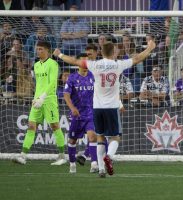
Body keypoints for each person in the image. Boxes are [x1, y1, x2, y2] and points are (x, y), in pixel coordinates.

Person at [53, 40, 156, 177]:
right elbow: (137, 58)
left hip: (97, 108)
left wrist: (60, 55)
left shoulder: (94, 65)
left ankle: (101, 169)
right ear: (113, 52)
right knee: (115, 138)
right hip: (112, 107)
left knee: (100, 138)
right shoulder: (118, 65)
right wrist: (149, 49)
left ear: (101, 52)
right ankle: (109, 156)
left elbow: (74, 61)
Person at [13, 41, 66, 165]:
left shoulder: (53, 64)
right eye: (37, 49)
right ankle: (23, 156)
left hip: (49, 100)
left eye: (41, 49)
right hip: (37, 100)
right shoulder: (36, 65)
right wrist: (36, 97)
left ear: (47, 50)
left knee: (55, 127)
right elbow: (39, 84)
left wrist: (43, 97)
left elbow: (52, 82)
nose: (38, 51)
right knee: (31, 126)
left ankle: (62, 156)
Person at [63, 53, 98, 174]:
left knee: (93, 137)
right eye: (83, 61)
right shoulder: (72, 78)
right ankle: (72, 164)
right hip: (77, 115)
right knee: (72, 141)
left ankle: (94, 164)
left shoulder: (93, 76)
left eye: (87, 61)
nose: (85, 64)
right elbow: (66, 95)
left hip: (90, 113)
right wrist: (72, 108)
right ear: (78, 63)